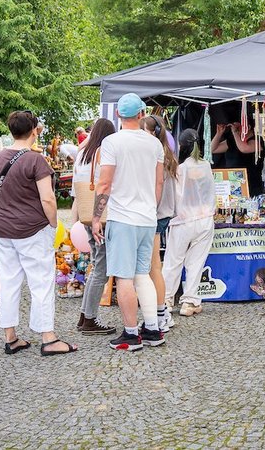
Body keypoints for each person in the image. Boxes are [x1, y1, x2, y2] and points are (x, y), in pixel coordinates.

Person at [0, 110, 76, 356]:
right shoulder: (36, 161)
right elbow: (48, 198)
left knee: (9, 281)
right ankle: (48, 337)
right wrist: (52, 224)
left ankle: (11, 336)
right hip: (32, 228)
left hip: (4, 228)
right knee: (41, 282)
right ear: (35, 130)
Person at [92, 93, 165, 351]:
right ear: (142, 114)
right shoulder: (154, 144)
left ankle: (131, 334)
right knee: (142, 274)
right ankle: (153, 329)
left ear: (118, 116)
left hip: (123, 217)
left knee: (123, 276)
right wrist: (150, 208)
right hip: (147, 217)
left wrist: (97, 217)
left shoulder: (111, 142)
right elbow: (159, 183)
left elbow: (104, 183)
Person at [162, 129, 216, 317]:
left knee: (172, 261)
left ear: (182, 146)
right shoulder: (206, 166)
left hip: (182, 220)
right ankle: (190, 302)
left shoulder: (179, 168)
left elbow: (174, 195)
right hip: (204, 218)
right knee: (196, 262)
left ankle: (166, 300)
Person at [74, 118, 117, 335]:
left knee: (96, 263)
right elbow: (107, 184)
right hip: (102, 217)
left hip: (86, 217)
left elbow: (75, 190)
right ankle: (89, 318)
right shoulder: (104, 155)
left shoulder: (82, 154)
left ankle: (84, 315)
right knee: (101, 267)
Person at [143, 114, 177, 331]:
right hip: (161, 213)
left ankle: (161, 314)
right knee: (153, 266)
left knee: (153, 266)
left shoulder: (157, 156)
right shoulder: (166, 153)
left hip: (155, 214)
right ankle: (159, 312)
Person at [211, 118, 265, 197]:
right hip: (232, 183)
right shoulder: (232, 141)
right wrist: (219, 134)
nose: (235, 129)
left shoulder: (257, 140)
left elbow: (244, 149)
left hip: (251, 184)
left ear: (248, 127)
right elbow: (213, 149)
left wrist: (235, 133)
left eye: (237, 127)